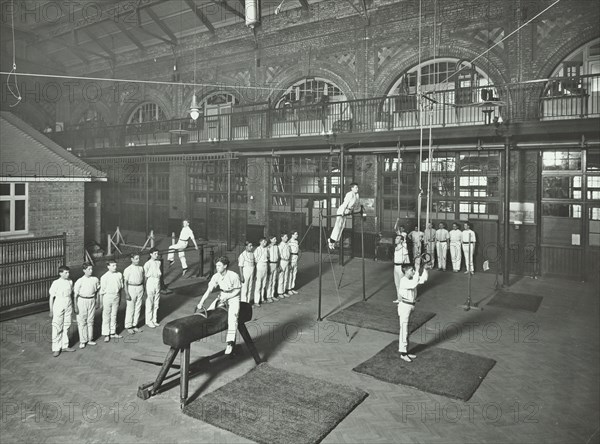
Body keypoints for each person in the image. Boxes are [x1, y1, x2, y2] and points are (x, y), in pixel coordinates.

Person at [195, 256, 241, 355]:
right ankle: (199, 333)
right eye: (216, 265)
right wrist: (201, 302)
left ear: (225, 266)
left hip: (234, 296)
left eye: (219, 265)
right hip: (222, 294)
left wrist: (228, 297)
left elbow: (238, 290)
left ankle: (230, 343)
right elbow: (209, 290)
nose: (217, 267)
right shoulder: (216, 276)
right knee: (209, 312)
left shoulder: (234, 275)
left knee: (233, 318)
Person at [394, 259, 428, 362]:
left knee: (407, 330)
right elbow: (414, 284)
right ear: (406, 271)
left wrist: (425, 269)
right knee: (404, 329)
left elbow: (423, 280)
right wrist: (418, 270)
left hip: (410, 306)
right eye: (412, 270)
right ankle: (403, 353)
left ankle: (406, 351)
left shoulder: (412, 279)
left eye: (413, 270)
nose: (413, 271)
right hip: (404, 306)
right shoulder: (404, 281)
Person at [49, 265, 76, 357]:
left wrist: (72, 305)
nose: (68, 274)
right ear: (60, 273)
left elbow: (71, 294)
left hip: (68, 303)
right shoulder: (56, 283)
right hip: (59, 303)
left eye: (68, 272)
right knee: (57, 326)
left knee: (67, 325)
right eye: (65, 272)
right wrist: (51, 310)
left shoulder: (70, 281)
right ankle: (56, 348)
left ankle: (64, 346)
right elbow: (51, 297)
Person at [74, 263, 99, 349]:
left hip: (91, 300)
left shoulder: (95, 279)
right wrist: (76, 306)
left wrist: (97, 301)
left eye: (91, 269)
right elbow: (75, 296)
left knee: (90, 320)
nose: (91, 271)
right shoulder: (79, 281)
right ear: (84, 270)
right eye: (89, 269)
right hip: (82, 301)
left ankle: (90, 339)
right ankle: (82, 341)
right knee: (82, 321)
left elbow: (97, 292)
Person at [328, 183, 360, 250]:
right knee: (338, 226)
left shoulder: (357, 195)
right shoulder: (349, 194)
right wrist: (342, 212)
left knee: (342, 227)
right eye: (356, 187)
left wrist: (353, 210)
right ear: (352, 188)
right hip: (342, 210)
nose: (357, 189)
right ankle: (331, 240)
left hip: (347, 212)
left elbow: (356, 205)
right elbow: (345, 203)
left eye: (357, 187)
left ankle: (334, 242)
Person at [100, 260, 124, 342]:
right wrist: (100, 302)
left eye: (115, 265)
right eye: (113, 265)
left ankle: (113, 332)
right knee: (106, 316)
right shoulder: (104, 277)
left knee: (114, 315)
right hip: (107, 297)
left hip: (116, 296)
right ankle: (106, 334)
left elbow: (121, 287)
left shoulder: (119, 274)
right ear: (108, 266)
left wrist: (119, 297)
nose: (115, 267)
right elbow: (102, 290)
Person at [124, 253, 145, 334]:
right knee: (130, 308)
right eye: (136, 259)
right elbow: (125, 282)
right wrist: (126, 293)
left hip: (140, 287)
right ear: (132, 259)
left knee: (138, 307)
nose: (138, 260)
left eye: (138, 258)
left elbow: (143, 279)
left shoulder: (141, 268)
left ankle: (135, 325)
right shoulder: (127, 269)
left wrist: (143, 288)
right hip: (131, 288)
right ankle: (129, 326)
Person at [143, 248, 162, 328]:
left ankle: (154, 320)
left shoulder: (159, 262)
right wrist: (144, 287)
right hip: (150, 282)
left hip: (157, 282)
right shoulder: (147, 264)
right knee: (149, 302)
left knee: (156, 302)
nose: (157, 255)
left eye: (157, 253)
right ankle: (149, 321)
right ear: (150, 254)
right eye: (155, 254)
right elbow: (145, 277)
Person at [253, 238, 269, 306]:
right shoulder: (257, 249)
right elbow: (255, 259)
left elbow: (268, 257)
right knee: (258, 284)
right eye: (263, 241)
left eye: (265, 241)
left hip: (265, 265)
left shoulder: (266, 249)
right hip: (259, 265)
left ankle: (262, 298)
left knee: (264, 283)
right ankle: (256, 301)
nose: (265, 242)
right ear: (260, 242)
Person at [265, 235, 280, 303]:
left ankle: (272, 295)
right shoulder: (268, 248)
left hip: (275, 264)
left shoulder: (277, 247)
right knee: (270, 281)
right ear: (270, 240)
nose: (275, 240)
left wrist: (278, 265)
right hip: (270, 264)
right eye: (274, 239)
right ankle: (268, 296)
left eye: (275, 239)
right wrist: (268, 267)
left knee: (274, 280)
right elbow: (267, 258)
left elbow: (278, 256)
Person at [277, 233, 292, 298]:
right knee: (281, 277)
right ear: (282, 238)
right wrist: (279, 265)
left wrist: (289, 263)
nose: (287, 238)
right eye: (285, 237)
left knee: (286, 277)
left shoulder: (287, 245)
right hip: (282, 261)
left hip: (287, 261)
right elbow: (278, 255)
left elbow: (289, 254)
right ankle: (280, 292)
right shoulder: (280, 245)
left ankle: (284, 291)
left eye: (287, 237)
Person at [287, 230, 300, 294]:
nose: (297, 235)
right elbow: (288, 252)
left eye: (297, 234)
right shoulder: (289, 242)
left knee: (294, 273)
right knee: (290, 273)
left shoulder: (296, 241)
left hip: (296, 258)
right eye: (295, 234)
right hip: (291, 258)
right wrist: (289, 261)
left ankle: (292, 287)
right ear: (292, 235)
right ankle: (288, 288)